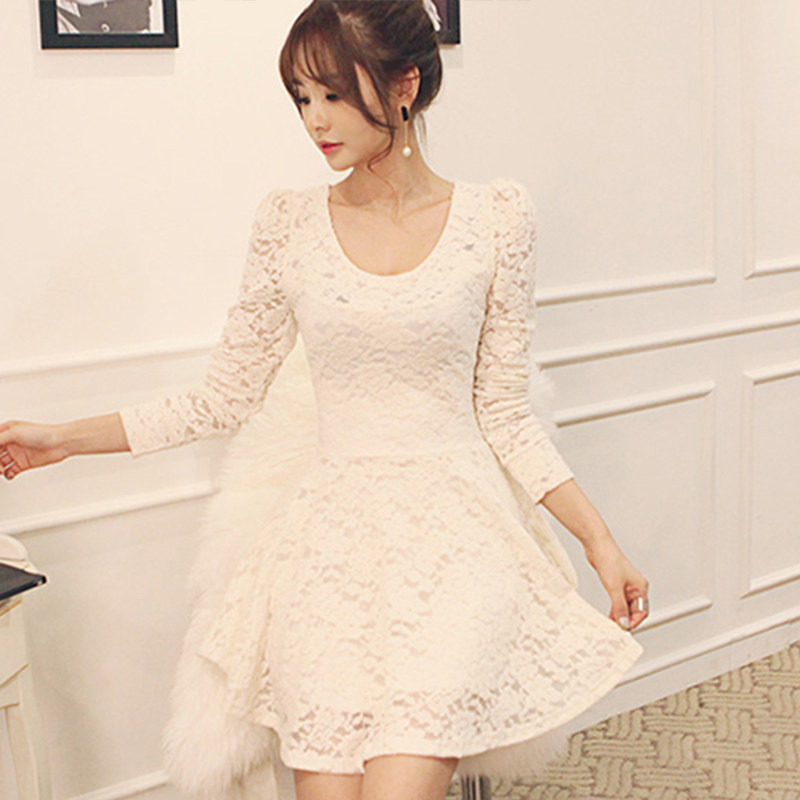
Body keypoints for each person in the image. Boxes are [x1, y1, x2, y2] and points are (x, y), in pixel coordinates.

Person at [1, 1, 650, 798]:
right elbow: (222, 398)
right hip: (330, 554)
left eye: (334, 95)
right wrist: (62, 439)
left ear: (403, 85)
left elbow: (507, 415)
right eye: (301, 97)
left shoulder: (497, 220)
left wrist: (600, 543)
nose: (314, 120)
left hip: (455, 548)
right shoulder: (289, 225)